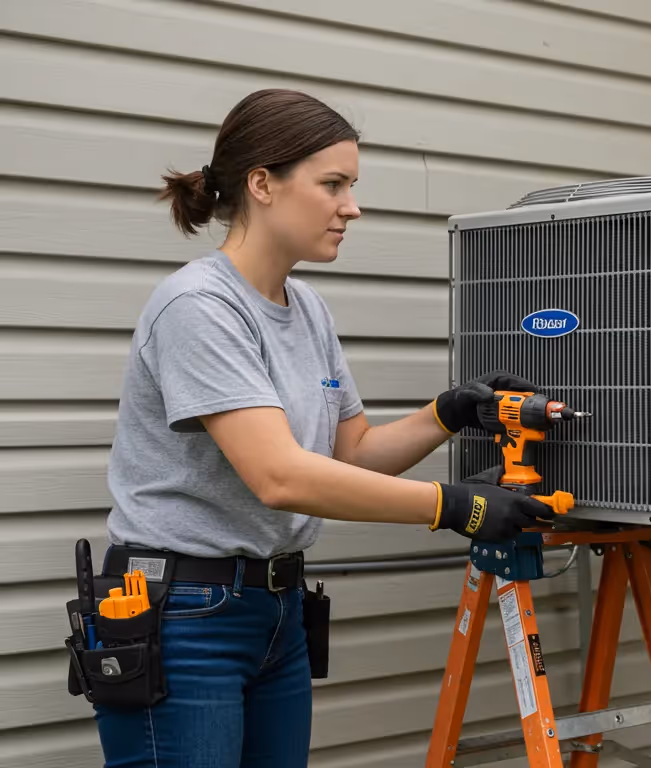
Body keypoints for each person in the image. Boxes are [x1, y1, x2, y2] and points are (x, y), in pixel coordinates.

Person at [86, 88, 551, 768]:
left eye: (352, 186)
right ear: (263, 183)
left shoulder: (305, 307)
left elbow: (350, 453)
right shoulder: (198, 306)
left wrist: (447, 413)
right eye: (333, 184)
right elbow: (280, 477)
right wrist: (456, 506)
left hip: (276, 613)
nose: (351, 206)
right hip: (184, 615)